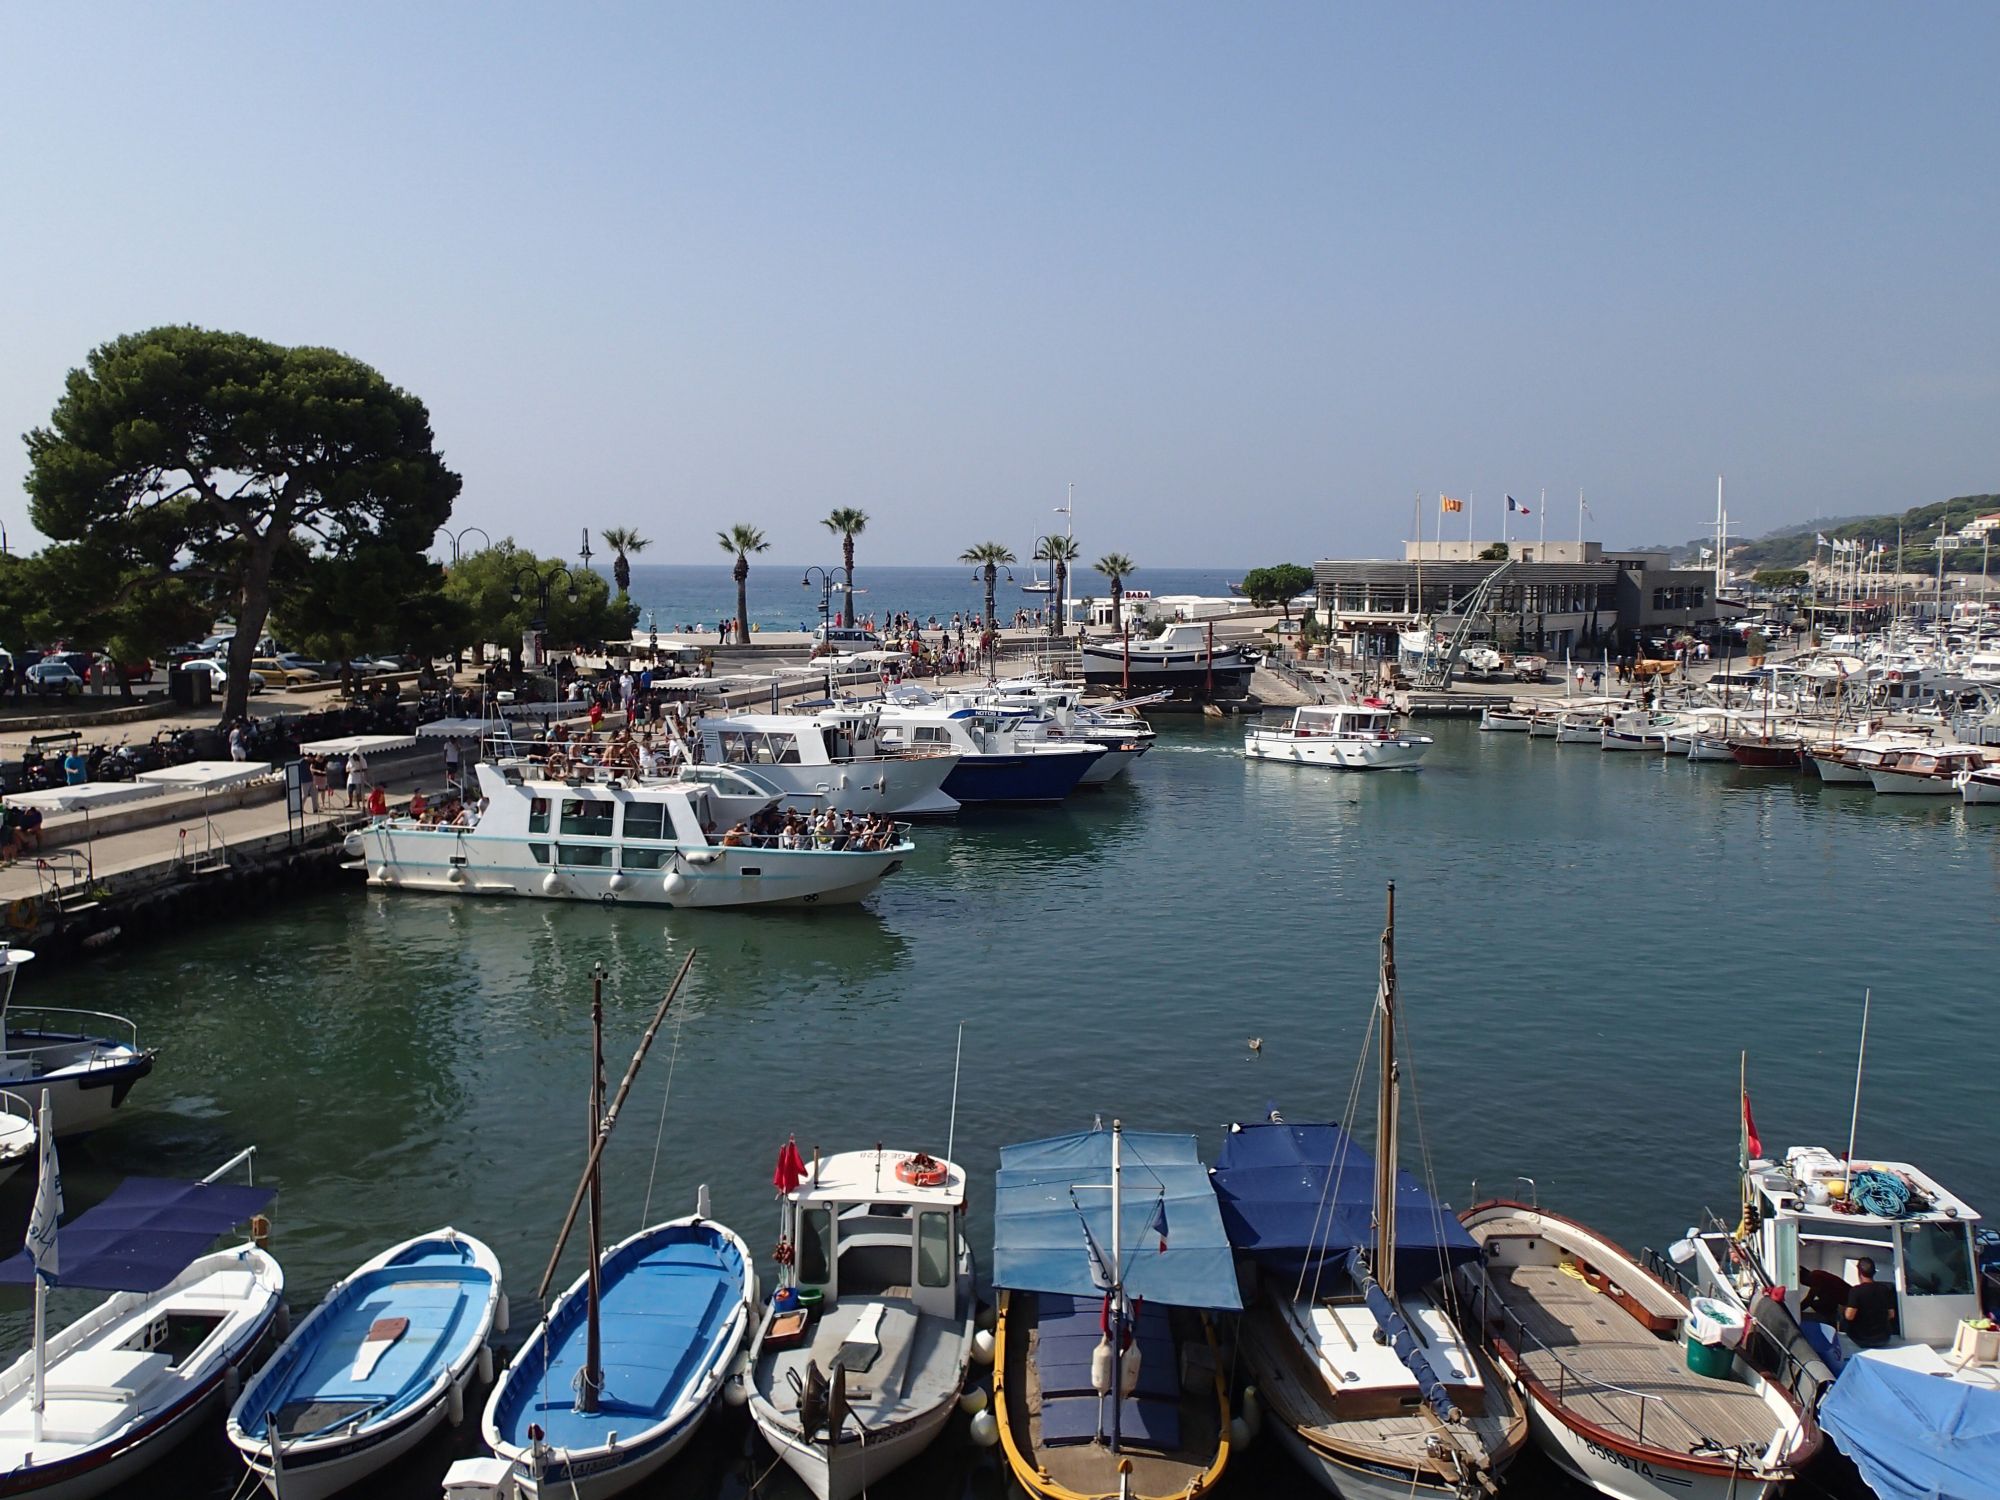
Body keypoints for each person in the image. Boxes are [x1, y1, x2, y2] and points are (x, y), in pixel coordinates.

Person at [1843, 1257, 1898, 1347]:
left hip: (1862, 1340)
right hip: (1884, 1338)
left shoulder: (1856, 1291)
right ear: (1874, 1273)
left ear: (1859, 1272)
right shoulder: (1884, 1289)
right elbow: (1891, 1314)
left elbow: (1849, 1316)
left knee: (1844, 1313)